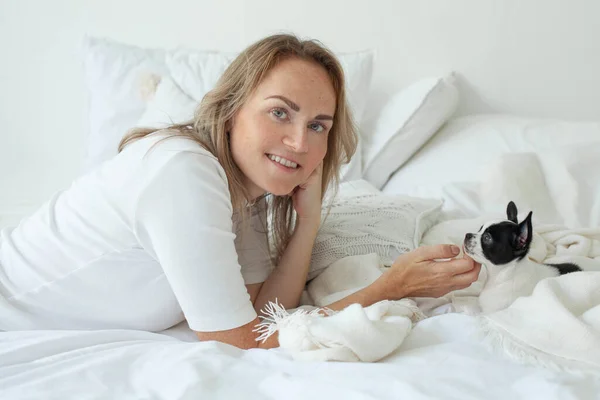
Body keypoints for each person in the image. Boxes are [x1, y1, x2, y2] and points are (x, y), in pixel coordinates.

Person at [0, 34, 481, 349]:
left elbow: (267, 315)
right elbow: (239, 342)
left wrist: (307, 222)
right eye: (279, 112)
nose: (299, 142)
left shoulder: (245, 195)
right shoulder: (184, 173)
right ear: (231, 111)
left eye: (318, 125)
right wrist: (389, 289)